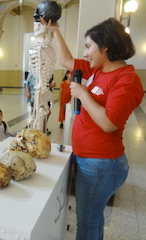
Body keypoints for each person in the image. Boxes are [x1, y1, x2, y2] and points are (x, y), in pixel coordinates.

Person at [43, 17, 144, 239]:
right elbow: (67, 59)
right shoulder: (97, 71)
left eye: (89, 46)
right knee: (94, 220)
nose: (86, 53)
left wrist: (83, 94)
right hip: (89, 160)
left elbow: (109, 123)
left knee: (86, 224)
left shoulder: (126, 79)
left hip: (101, 165)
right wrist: (55, 30)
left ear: (105, 46)